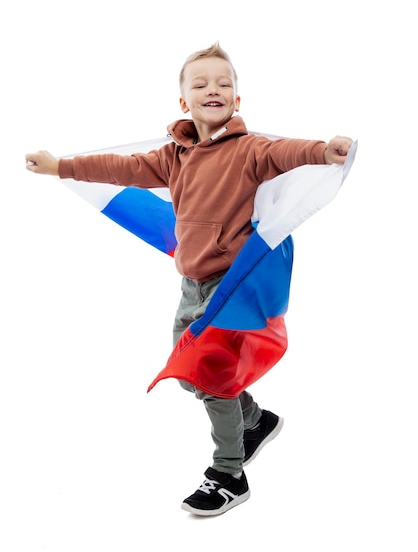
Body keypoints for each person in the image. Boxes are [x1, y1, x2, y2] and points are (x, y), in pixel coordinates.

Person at [26, 43, 353, 516]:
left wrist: (325, 150)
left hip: (233, 285)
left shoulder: (249, 150)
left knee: (210, 375)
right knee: (191, 377)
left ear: (237, 101)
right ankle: (255, 421)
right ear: (185, 102)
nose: (213, 90)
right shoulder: (172, 158)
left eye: (224, 84)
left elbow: (288, 152)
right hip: (192, 284)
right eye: (200, 84)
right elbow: (121, 169)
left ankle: (229, 472)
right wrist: (63, 167)